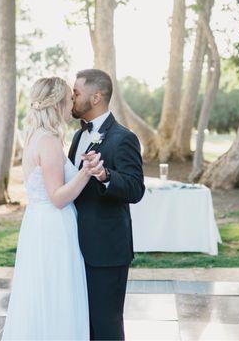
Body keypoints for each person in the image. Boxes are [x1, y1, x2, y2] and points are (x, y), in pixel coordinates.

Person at [1, 77, 103, 340]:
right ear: (57, 104)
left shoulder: (37, 136)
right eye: (70, 98)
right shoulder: (47, 141)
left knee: (42, 293)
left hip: (40, 222)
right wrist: (86, 173)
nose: (73, 103)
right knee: (57, 293)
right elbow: (57, 197)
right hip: (53, 226)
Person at [69, 69, 145, 340]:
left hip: (107, 249)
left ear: (96, 97)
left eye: (76, 93)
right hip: (77, 246)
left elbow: (136, 189)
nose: (72, 97)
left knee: (106, 324)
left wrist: (105, 176)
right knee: (85, 322)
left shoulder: (124, 138)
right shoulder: (78, 137)